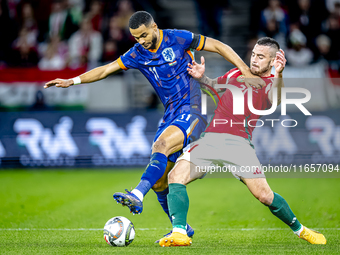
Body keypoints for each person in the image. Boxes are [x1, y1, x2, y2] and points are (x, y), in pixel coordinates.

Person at [44, 11, 264, 240]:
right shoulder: (137, 53)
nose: (140, 41)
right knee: (160, 182)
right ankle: (181, 228)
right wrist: (73, 80)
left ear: (154, 27)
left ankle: (138, 193)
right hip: (170, 115)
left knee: (161, 145)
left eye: (143, 35)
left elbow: (218, 46)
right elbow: (106, 69)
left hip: (194, 109)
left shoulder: (178, 38)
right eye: (136, 37)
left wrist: (246, 70)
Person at [158, 37, 327, 247]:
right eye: (254, 54)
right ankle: (179, 233)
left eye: (261, 57)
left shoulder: (269, 83)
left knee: (264, 196)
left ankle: (301, 230)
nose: (254, 59)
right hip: (210, 139)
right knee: (175, 176)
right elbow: (213, 88)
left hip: (238, 144)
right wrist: (202, 78)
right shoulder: (236, 72)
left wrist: (279, 73)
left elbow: (276, 98)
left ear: (273, 61)